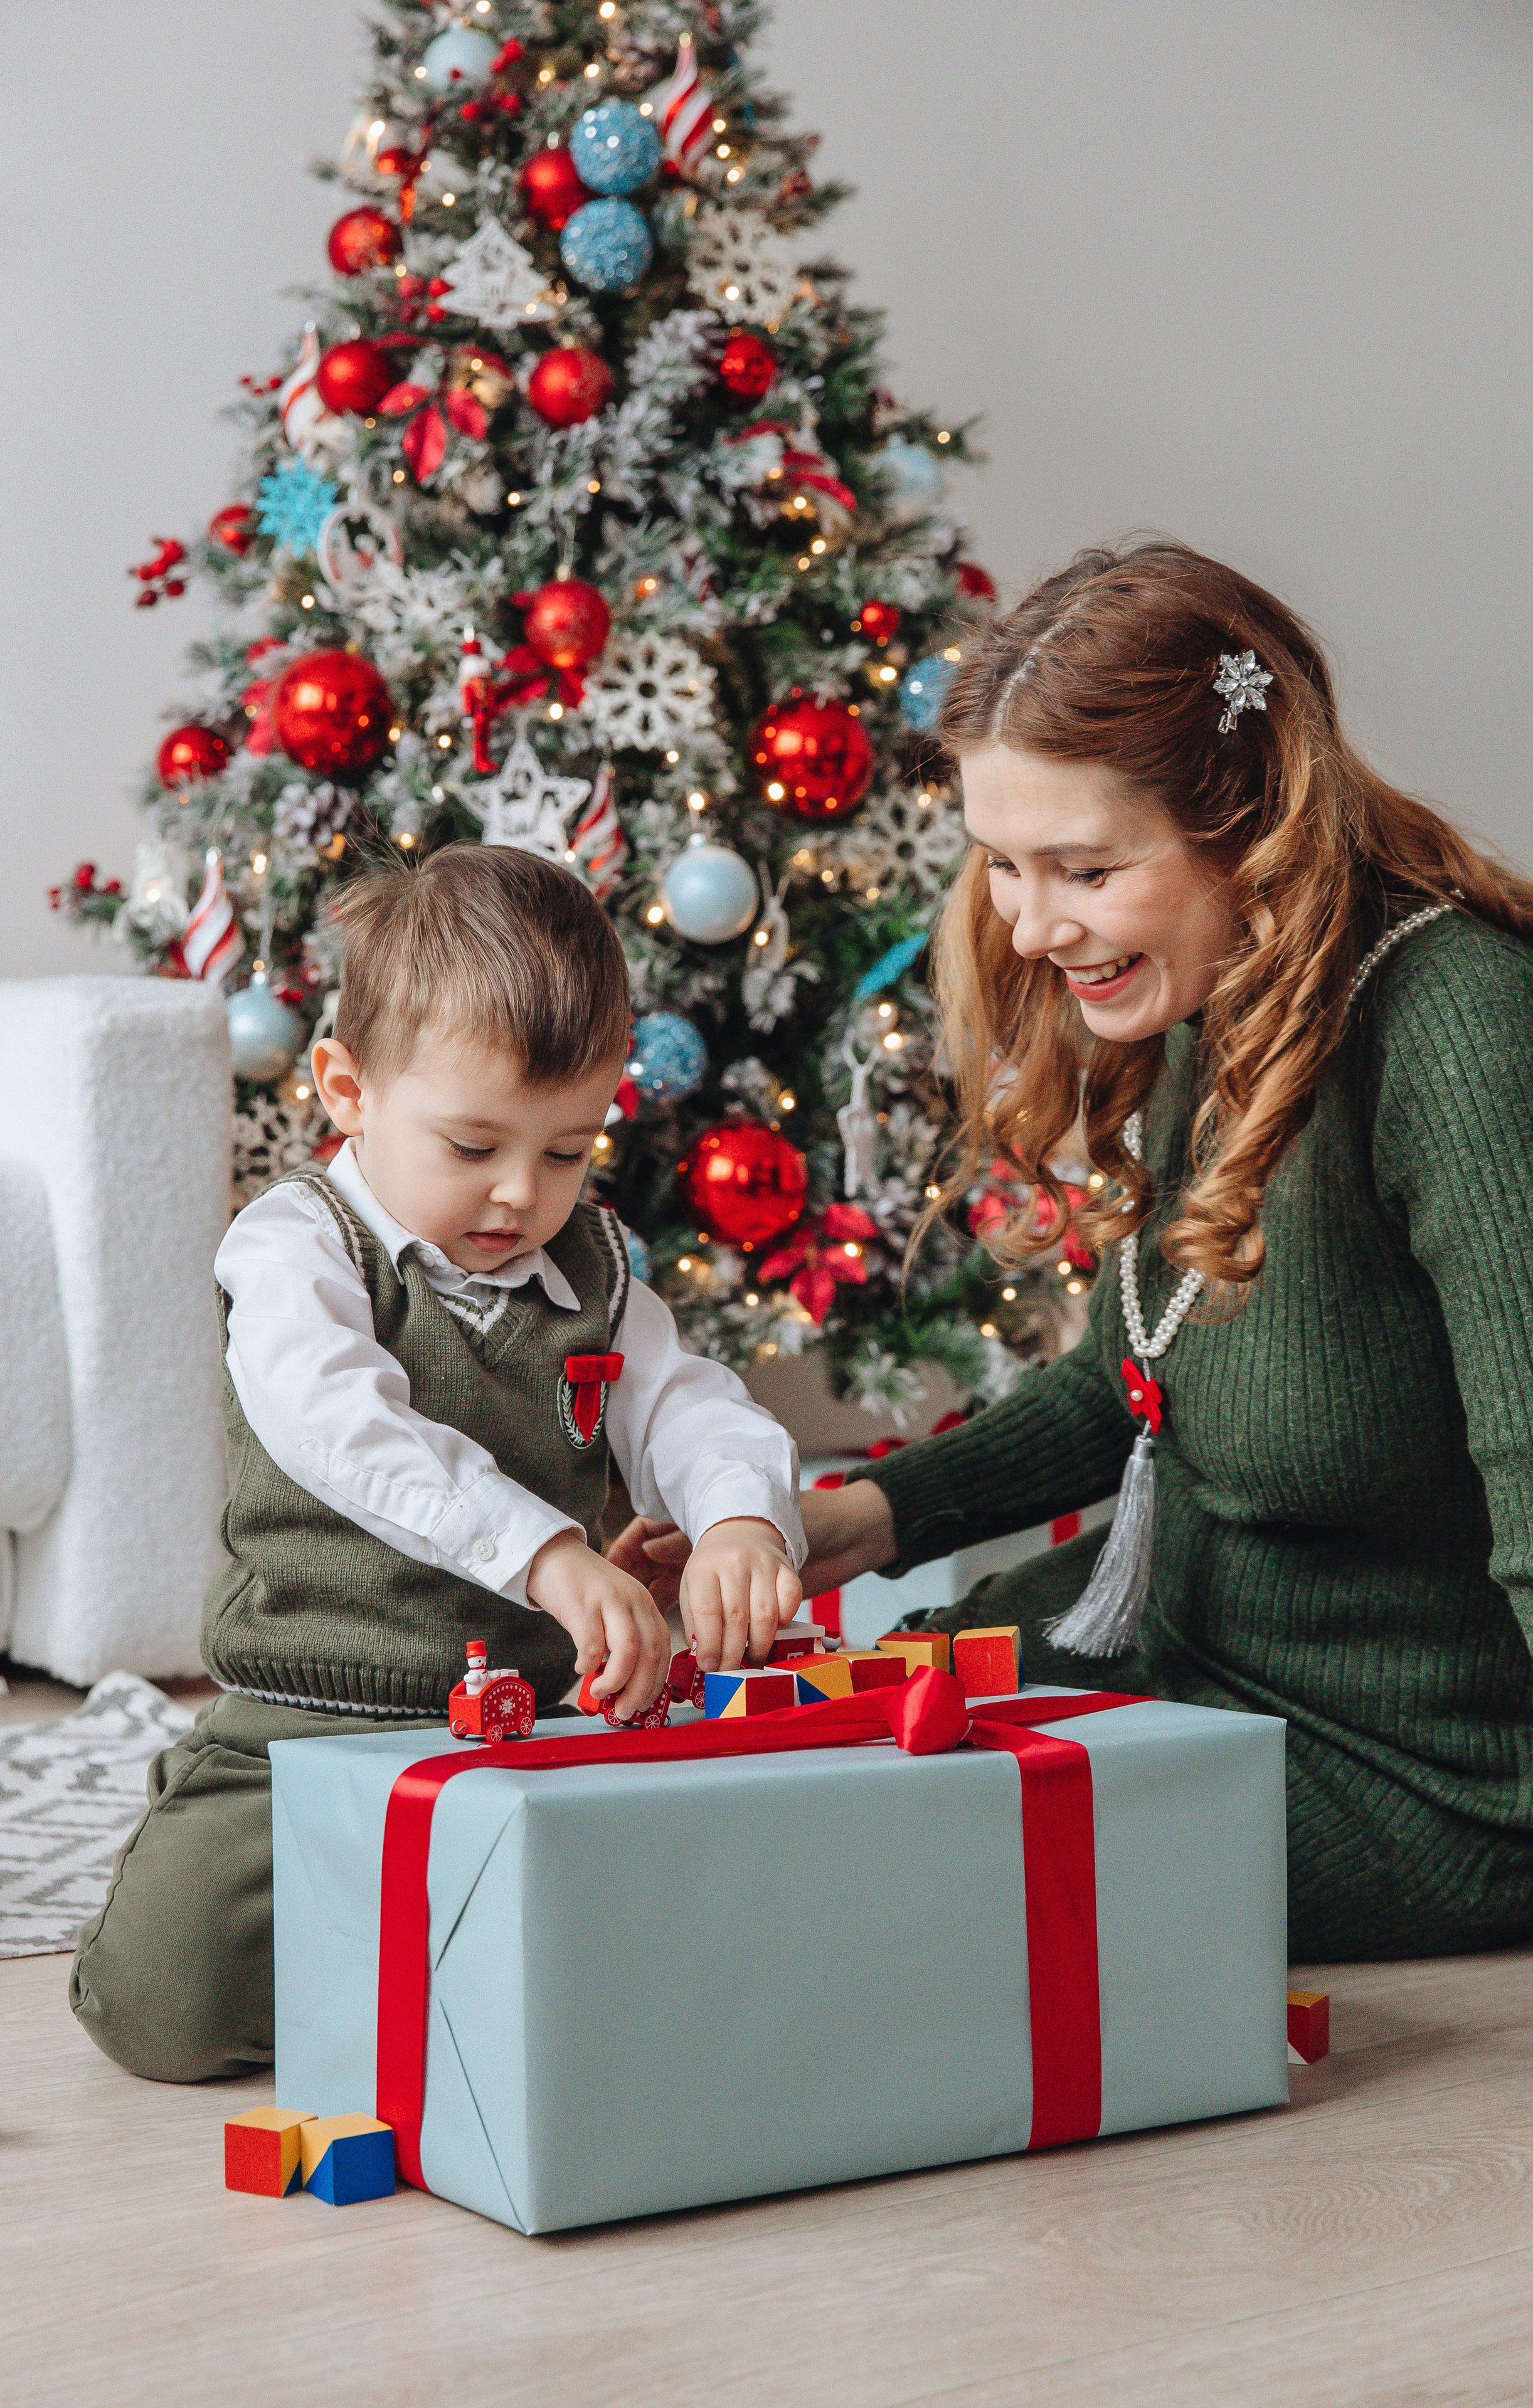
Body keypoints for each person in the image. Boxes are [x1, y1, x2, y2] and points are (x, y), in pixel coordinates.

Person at [625, 540, 1533, 1962]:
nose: (1033, 926)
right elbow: (1140, 1375)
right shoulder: (1220, 988)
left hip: (1416, 1778)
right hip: (1179, 1657)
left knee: (850, 1871)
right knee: (779, 1752)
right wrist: (854, 1526)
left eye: (1084, 869)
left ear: (1250, 822)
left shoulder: (1458, 1029)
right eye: (1001, 865)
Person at [72, 845, 804, 2081]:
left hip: (540, 1727)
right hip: (310, 1716)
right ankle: (261, 1880)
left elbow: (690, 1409)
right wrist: (548, 1554)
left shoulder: (596, 1274)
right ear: (347, 1090)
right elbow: (339, 1425)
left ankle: (433, 1974)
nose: (522, 1193)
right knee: (158, 2013)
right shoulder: (293, 1244)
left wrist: (740, 1519)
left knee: (672, 1972)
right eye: (472, 1147)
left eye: (568, 1152)